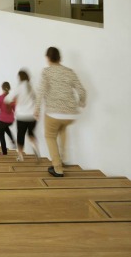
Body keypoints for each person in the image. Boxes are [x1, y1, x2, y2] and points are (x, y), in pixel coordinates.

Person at [34, 47, 86, 177]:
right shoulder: (69, 72)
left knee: (50, 136)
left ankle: (57, 168)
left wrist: (37, 109)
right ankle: (62, 158)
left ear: (47, 58)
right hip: (70, 114)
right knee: (62, 128)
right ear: (60, 58)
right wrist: (81, 103)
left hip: (54, 112)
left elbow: (40, 91)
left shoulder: (47, 72)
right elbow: (82, 91)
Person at [5, 70, 40, 162]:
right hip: (32, 116)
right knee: (31, 133)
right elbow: (37, 100)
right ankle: (35, 148)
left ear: (20, 78)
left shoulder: (19, 87)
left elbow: (7, 99)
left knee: (20, 136)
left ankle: (20, 156)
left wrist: (13, 101)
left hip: (22, 116)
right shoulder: (32, 87)